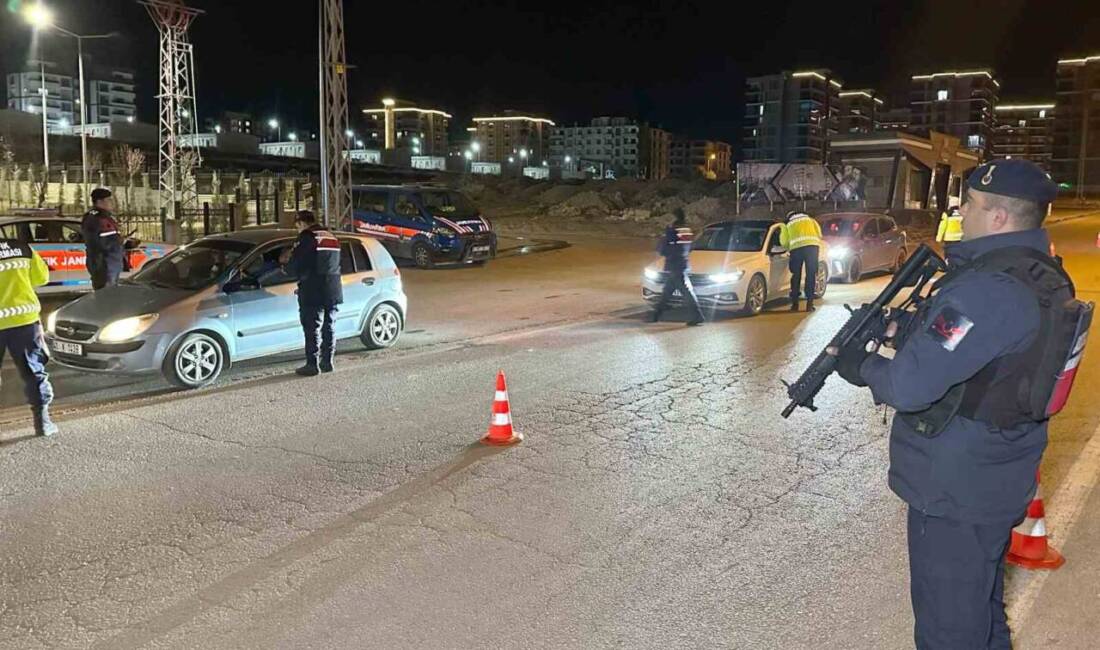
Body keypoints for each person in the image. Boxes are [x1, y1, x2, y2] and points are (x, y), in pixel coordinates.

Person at [831, 159, 1070, 649]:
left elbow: (909, 385)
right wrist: (908, 331)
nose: (961, 211)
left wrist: (860, 366)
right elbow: (985, 359)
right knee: (980, 612)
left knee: (949, 632)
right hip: (997, 473)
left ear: (999, 217)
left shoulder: (987, 289)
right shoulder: (1036, 274)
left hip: (956, 489)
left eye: (973, 204)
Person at [0, 237, 57, 436]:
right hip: (24, 320)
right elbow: (41, 278)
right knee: (33, 371)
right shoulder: (21, 248)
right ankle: (43, 424)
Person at [282, 210, 343, 376]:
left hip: (313, 287)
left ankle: (312, 364)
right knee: (329, 325)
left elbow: (299, 263)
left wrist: (284, 269)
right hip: (333, 287)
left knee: (311, 326)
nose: (297, 229)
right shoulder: (330, 236)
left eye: (297, 226)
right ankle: (327, 361)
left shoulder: (307, 237)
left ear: (301, 223)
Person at [649, 208, 704, 326]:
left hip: (674, 264)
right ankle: (655, 315)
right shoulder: (687, 230)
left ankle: (698, 316)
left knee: (685, 291)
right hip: (682, 263)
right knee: (667, 291)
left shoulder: (673, 230)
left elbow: (663, 248)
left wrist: (664, 244)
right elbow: (690, 247)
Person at [81, 188, 124, 291]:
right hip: (103, 264)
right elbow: (96, 242)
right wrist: (117, 242)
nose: (111, 203)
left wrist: (124, 242)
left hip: (111, 262)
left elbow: (109, 237)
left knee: (111, 294)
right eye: (109, 200)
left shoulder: (106, 217)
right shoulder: (94, 218)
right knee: (106, 295)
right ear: (100, 202)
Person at [779, 211, 823, 312]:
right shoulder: (811, 220)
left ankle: (795, 305)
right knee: (811, 275)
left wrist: (788, 248)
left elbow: (784, 242)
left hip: (796, 250)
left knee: (796, 275)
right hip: (812, 247)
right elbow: (819, 234)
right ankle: (809, 304)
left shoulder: (787, 224)